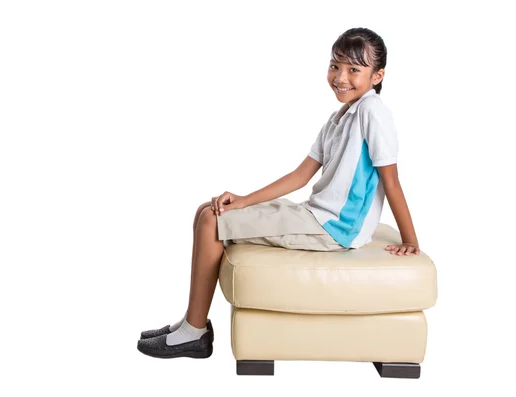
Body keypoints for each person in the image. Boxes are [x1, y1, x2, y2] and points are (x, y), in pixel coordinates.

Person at [137, 27, 420, 359]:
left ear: (377, 76)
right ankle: (189, 322)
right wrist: (243, 200)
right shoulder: (339, 117)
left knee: (211, 222)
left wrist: (411, 239)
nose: (340, 77)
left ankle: (194, 333)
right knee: (207, 210)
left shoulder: (373, 112)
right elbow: (301, 175)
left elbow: (392, 181)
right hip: (315, 216)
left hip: (333, 229)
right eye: (335, 65)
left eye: (354, 69)